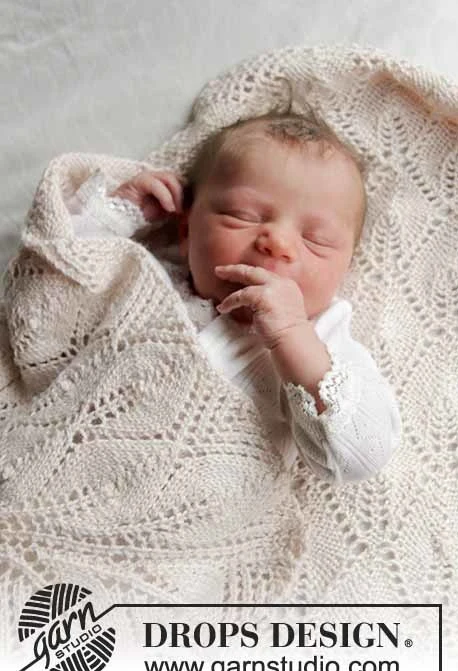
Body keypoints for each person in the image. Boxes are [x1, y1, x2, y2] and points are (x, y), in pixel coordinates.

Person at [67, 110, 401, 482]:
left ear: (344, 268)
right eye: (243, 215)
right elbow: (57, 287)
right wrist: (116, 214)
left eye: (316, 240)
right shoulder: (150, 277)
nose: (278, 242)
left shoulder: (326, 344)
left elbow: (363, 456)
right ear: (186, 230)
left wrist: (293, 335)